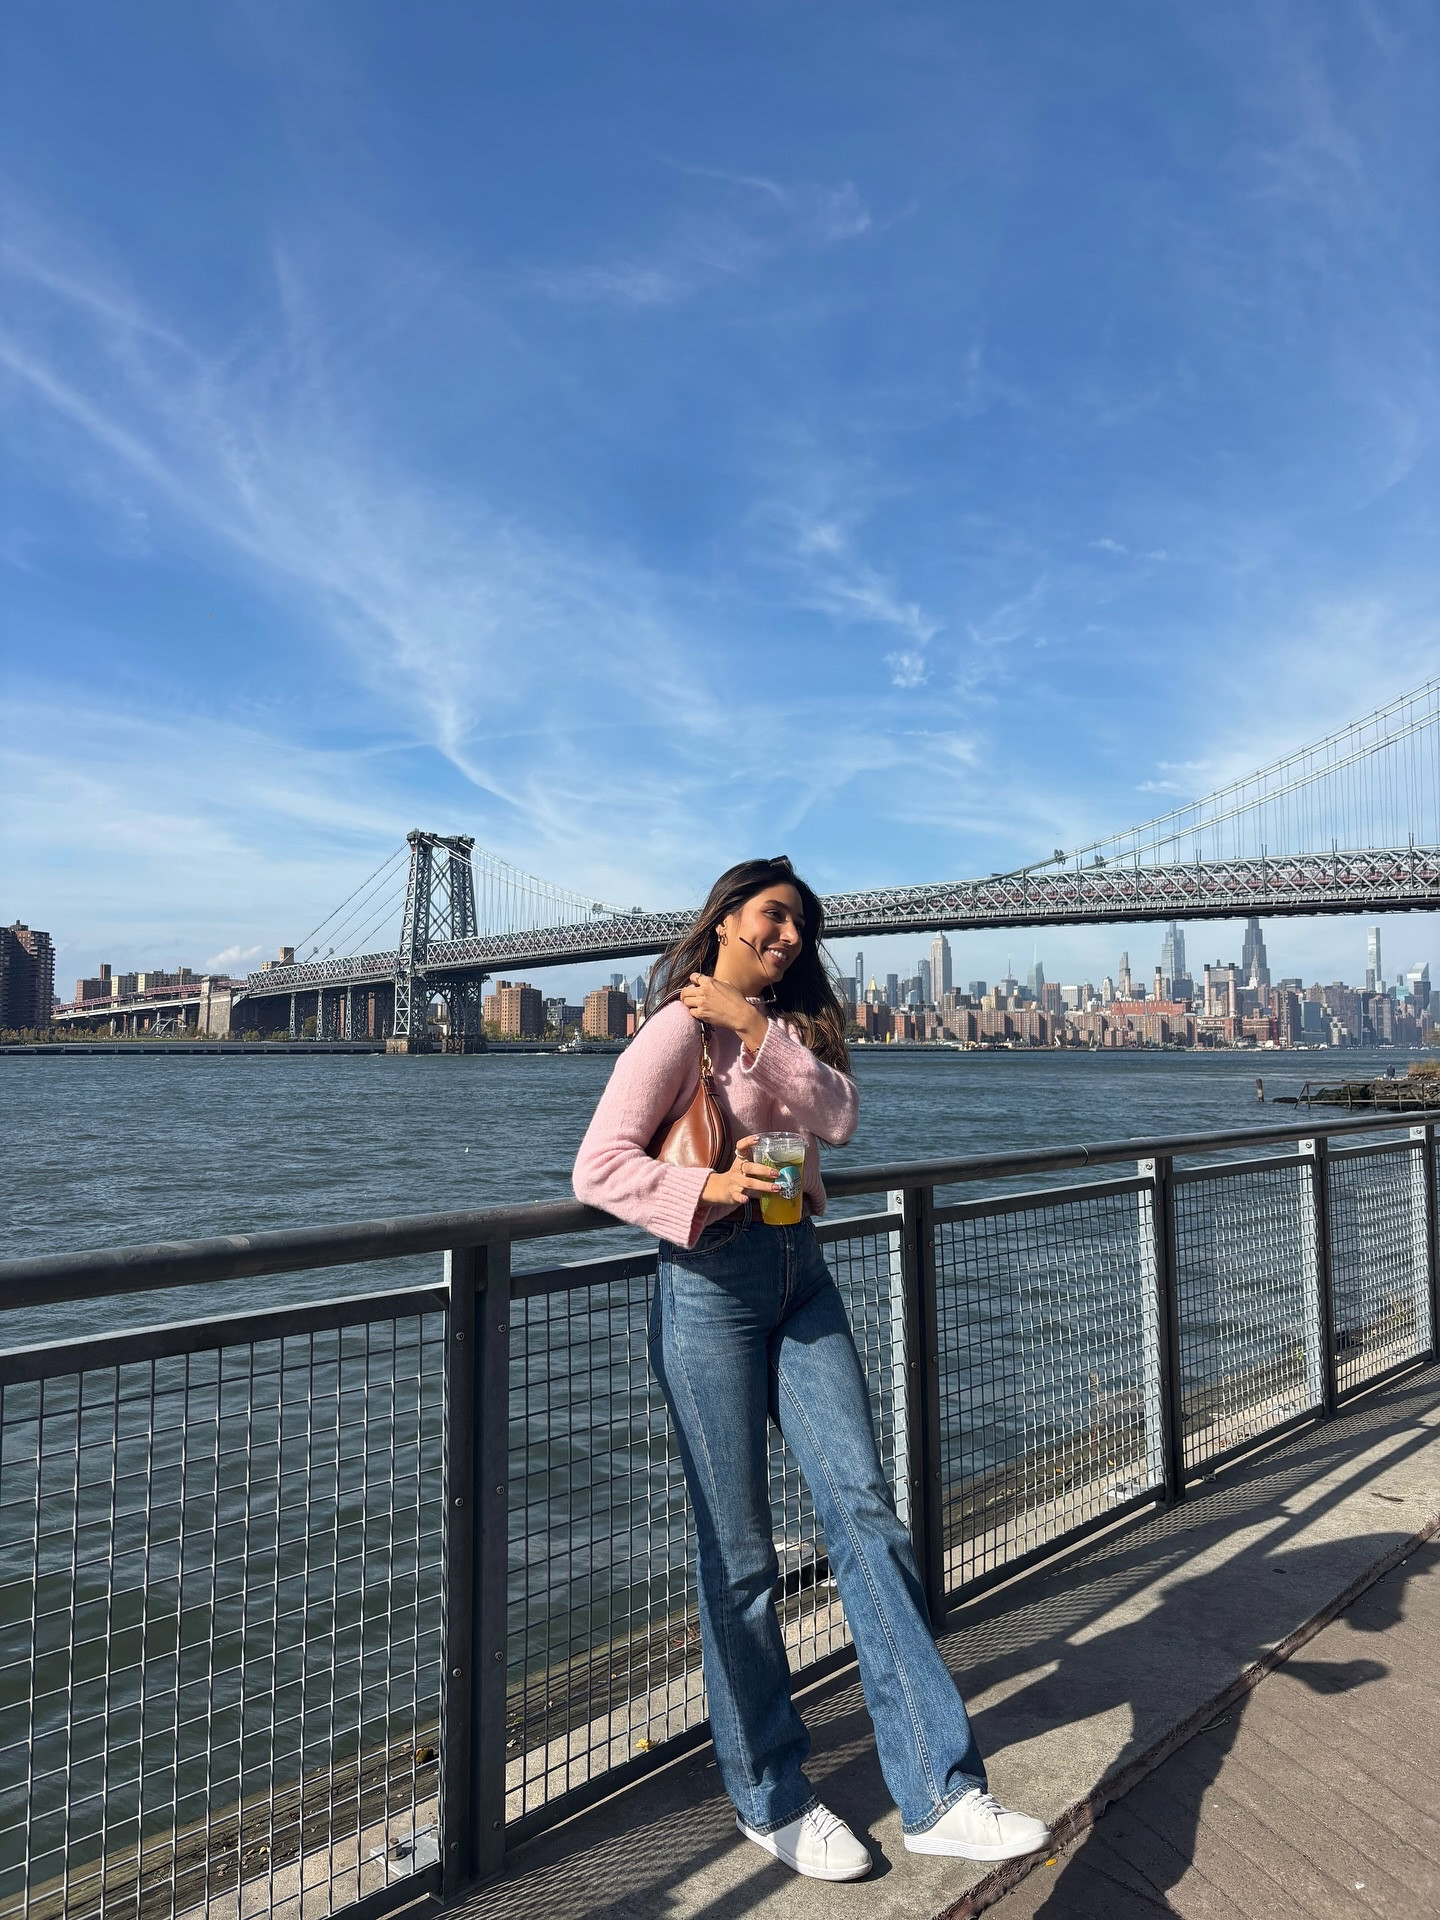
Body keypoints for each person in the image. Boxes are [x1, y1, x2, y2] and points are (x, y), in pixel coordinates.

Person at [573, 856, 1051, 1882]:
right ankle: (772, 1797)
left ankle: (939, 1792)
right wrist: (710, 1185)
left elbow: (835, 1118)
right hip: (709, 1285)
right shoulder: (674, 1031)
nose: (790, 936)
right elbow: (597, 1166)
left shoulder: (782, 1030)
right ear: (725, 922)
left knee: (866, 1513)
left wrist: (756, 1030)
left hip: (803, 1276)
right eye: (773, 916)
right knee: (741, 1557)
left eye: (802, 926)